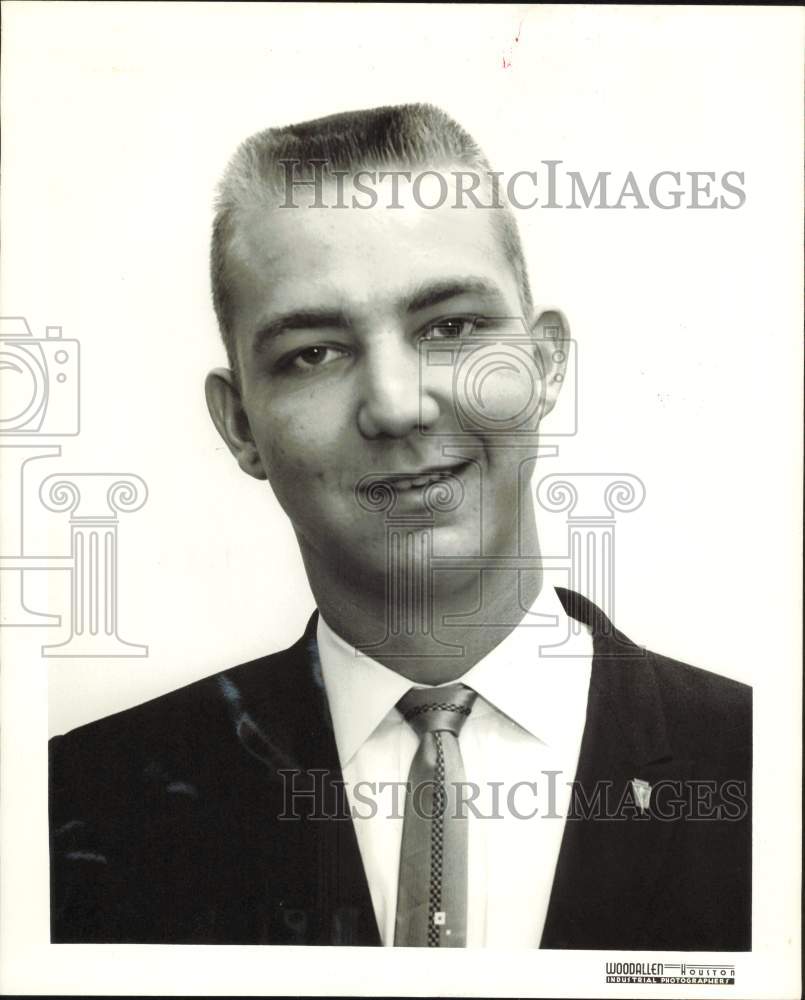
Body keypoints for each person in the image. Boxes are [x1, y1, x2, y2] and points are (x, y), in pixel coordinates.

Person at [49, 104, 751, 949]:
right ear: (240, 425)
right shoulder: (70, 809)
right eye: (314, 351)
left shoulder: (763, 767)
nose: (394, 403)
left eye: (450, 327)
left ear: (544, 364)